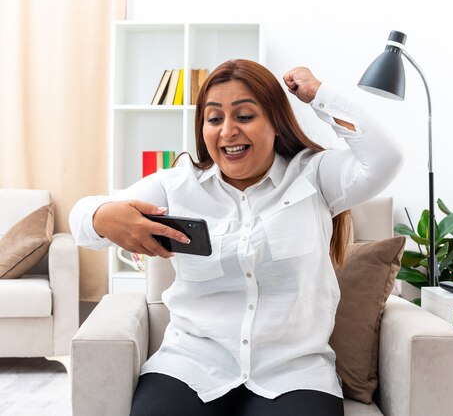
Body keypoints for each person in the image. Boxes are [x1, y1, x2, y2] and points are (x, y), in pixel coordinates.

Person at [70, 59, 403, 416]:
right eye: (214, 119)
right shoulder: (176, 185)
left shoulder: (315, 177)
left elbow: (386, 158)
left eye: (244, 116)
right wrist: (103, 216)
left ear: (275, 120)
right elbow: (81, 222)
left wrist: (320, 95)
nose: (228, 131)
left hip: (295, 373)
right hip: (190, 366)